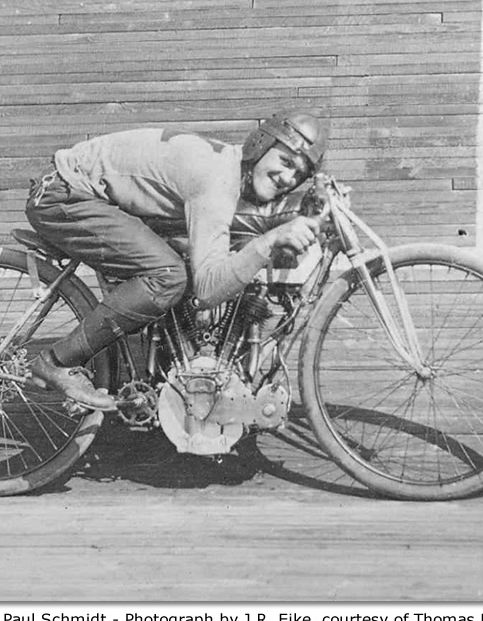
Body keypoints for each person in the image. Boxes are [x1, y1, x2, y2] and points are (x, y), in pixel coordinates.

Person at [24, 109, 329, 409]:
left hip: (87, 195)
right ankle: (55, 361)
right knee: (168, 276)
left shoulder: (227, 168)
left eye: (299, 174)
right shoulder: (217, 180)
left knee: (184, 258)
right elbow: (210, 289)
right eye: (285, 161)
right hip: (65, 196)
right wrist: (272, 239)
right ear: (259, 146)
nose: (287, 177)